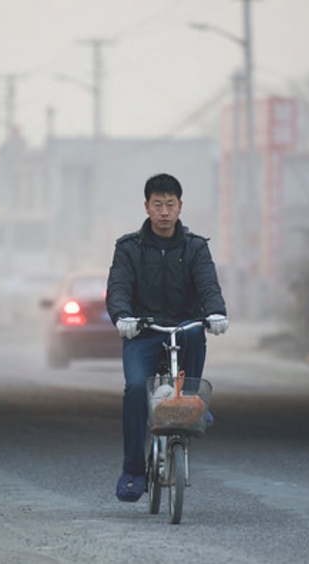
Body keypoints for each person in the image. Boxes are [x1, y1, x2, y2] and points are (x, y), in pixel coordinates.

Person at [105, 173, 229, 502]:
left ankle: (192, 403)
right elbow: (118, 288)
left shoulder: (195, 247)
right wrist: (123, 318)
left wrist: (216, 312)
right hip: (143, 331)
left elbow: (208, 286)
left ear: (180, 207)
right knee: (134, 389)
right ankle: (132, 471)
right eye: (157, 204)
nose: (164, 211)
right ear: (147, 207)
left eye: (170, 205)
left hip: (184, 328)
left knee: (194, 339)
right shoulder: (128, 248)